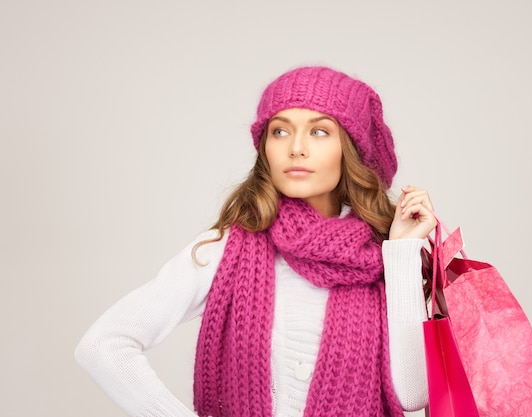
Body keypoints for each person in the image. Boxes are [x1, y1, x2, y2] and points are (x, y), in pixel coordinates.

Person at [75, 65, 436, 417]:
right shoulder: (226, 250)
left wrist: (402, 253)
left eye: (319, 132)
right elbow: (103, 345)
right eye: (280, 131)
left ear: (352, 149)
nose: (296, 148)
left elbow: (413, 394)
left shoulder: (382, 257)